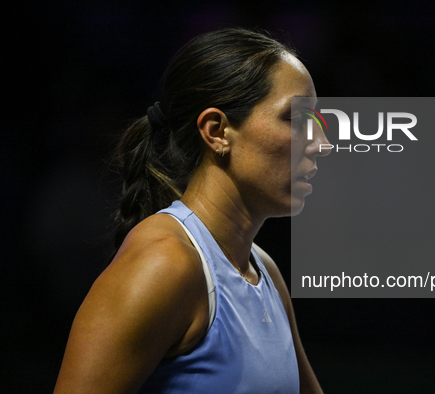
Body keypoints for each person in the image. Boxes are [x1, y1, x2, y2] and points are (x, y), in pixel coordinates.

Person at [54, 28, 329, 393]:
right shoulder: (164, 264)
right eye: (295, 120)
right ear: (216, 131)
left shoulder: (266, 273)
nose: (322, 144)